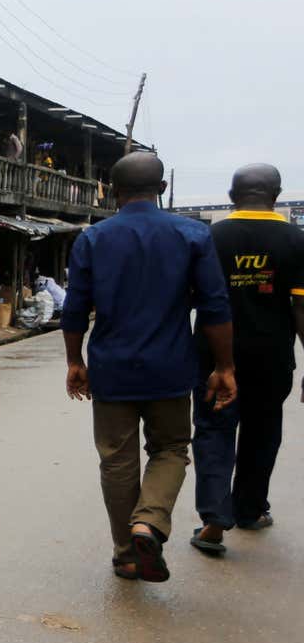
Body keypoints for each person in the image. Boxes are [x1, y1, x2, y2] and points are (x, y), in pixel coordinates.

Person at [61, 152, 236, 584]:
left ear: (113, 190)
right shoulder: (193, 234)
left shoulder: (93, 239)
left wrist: (74, 360)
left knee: (116, 462)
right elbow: (215, 306)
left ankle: (126, 554)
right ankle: (149, 523)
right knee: (172, 449)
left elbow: (75, 309)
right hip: (171, 368)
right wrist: (225, 365)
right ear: (161, 190)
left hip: (111, 369)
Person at [191, 164, 304, 554]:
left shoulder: (210, 237)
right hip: (272, 358)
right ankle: (250, 510)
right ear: (276, 194)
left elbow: (190, 300)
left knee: (213, 431)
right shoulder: (296, 239)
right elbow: (302, 307)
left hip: (214, 358)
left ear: (231, 194)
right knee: (263, 432)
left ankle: (214, 517)